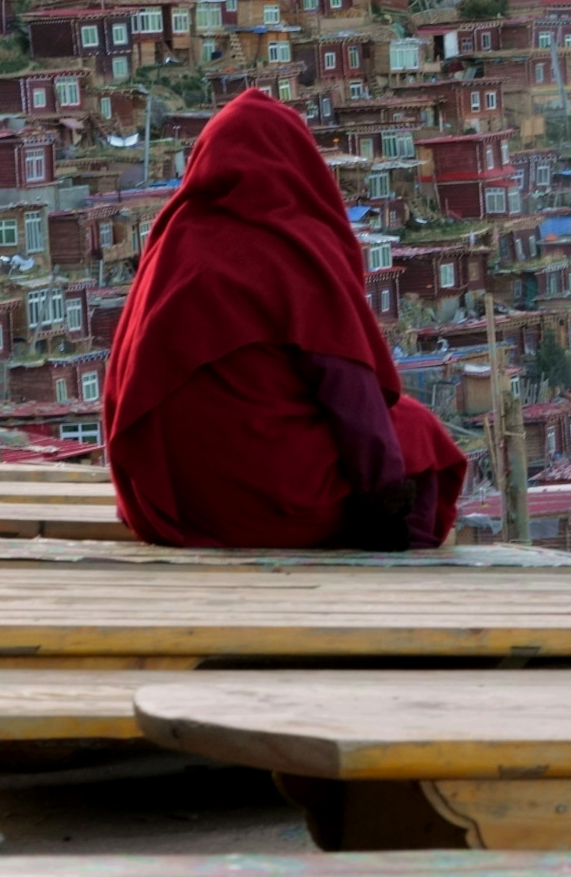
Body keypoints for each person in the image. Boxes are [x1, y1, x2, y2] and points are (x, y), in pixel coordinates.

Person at [103, 88, 466, 549]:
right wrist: (382, 496)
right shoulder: (293, 245)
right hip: (270, 507)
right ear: (298, 163)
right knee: (418, 432)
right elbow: (350, 391)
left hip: (173, 503)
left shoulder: (175, 242)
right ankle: (393, 547)